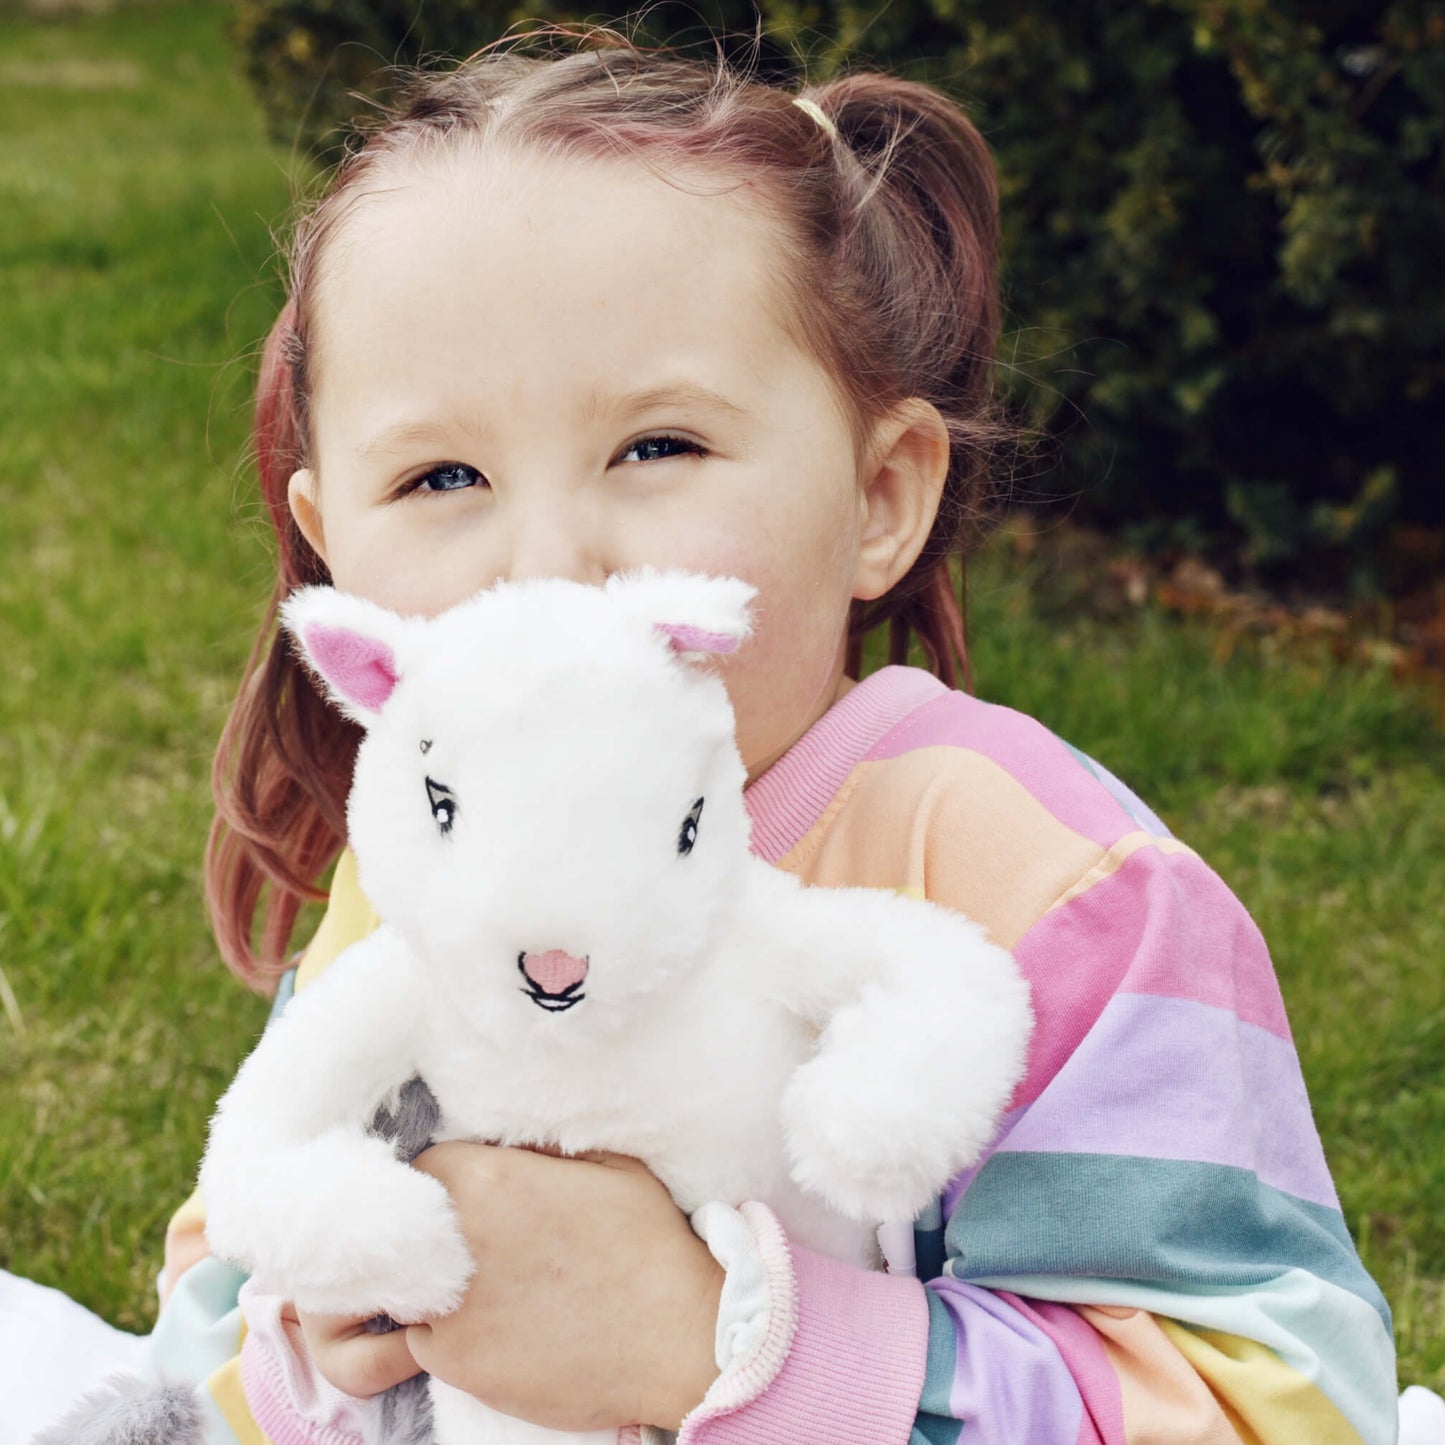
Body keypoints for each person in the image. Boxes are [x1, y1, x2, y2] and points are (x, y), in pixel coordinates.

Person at [135, 34, 1402, 1445]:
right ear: (338, 561)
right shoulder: (422, 867)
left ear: (876, 494)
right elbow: (212, 1318)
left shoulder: (1051, 891)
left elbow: (1279, 1404)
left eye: (657, 445)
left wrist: (719, 1343)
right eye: (442, 475)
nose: (548, 561)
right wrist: (325, 1339)